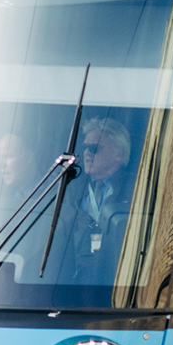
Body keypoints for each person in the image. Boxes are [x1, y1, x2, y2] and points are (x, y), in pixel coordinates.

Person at [56, 118, 134, 285]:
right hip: (75, 277)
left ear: (118, 154)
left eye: (94, 148)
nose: (87, 153)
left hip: (118, 276)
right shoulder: (71, 186)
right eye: (85, 147)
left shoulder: (136, 189)